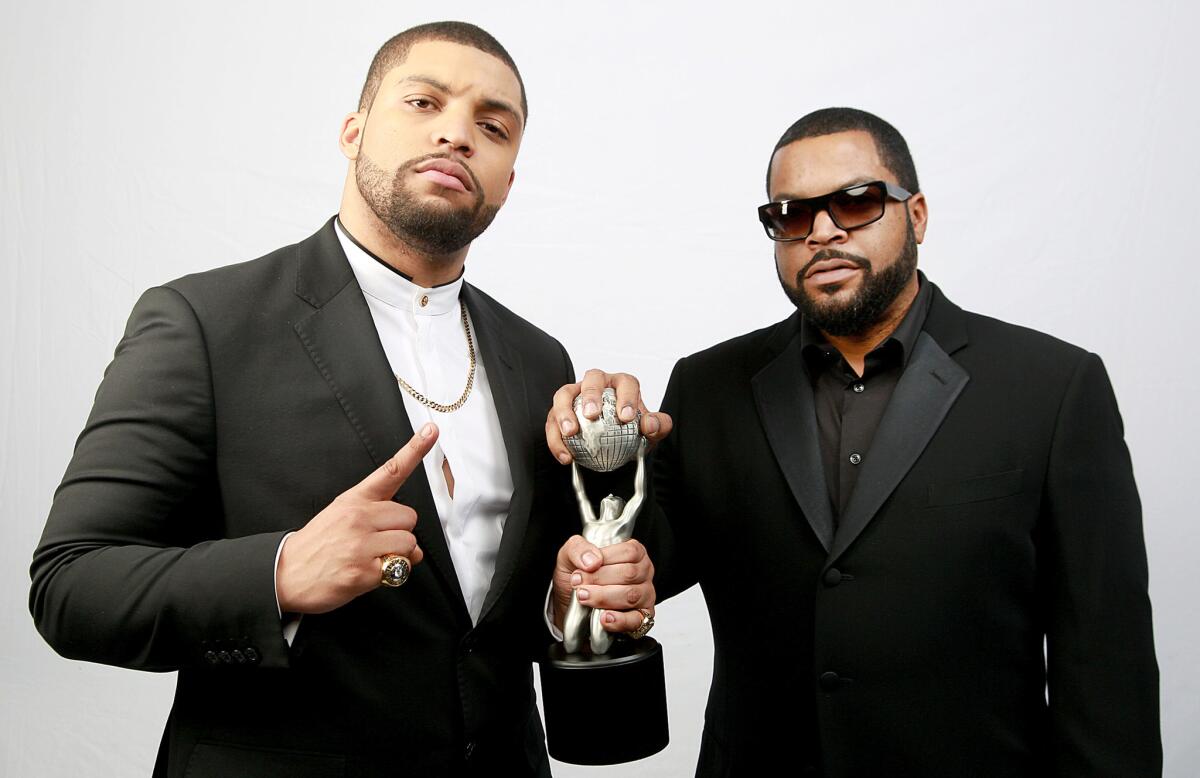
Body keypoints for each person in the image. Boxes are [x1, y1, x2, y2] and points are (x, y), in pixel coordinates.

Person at [30, 22, 653, 777]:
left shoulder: (537, 355)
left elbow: (483, 622)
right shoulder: (203, 321)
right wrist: (281, 572)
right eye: (423, 103)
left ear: (509, 178)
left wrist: (565, 603)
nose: (457, 135)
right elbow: (71, 584)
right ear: (354, 132)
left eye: (492, 126)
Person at [547, 108, 1161, 776]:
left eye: (857, 202)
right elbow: (636, 564)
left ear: (917, 215)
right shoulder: (710, 385)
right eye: (791, 214)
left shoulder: (1053, 387)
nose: (823, 231)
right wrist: (601, 440)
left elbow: (1106, 661)